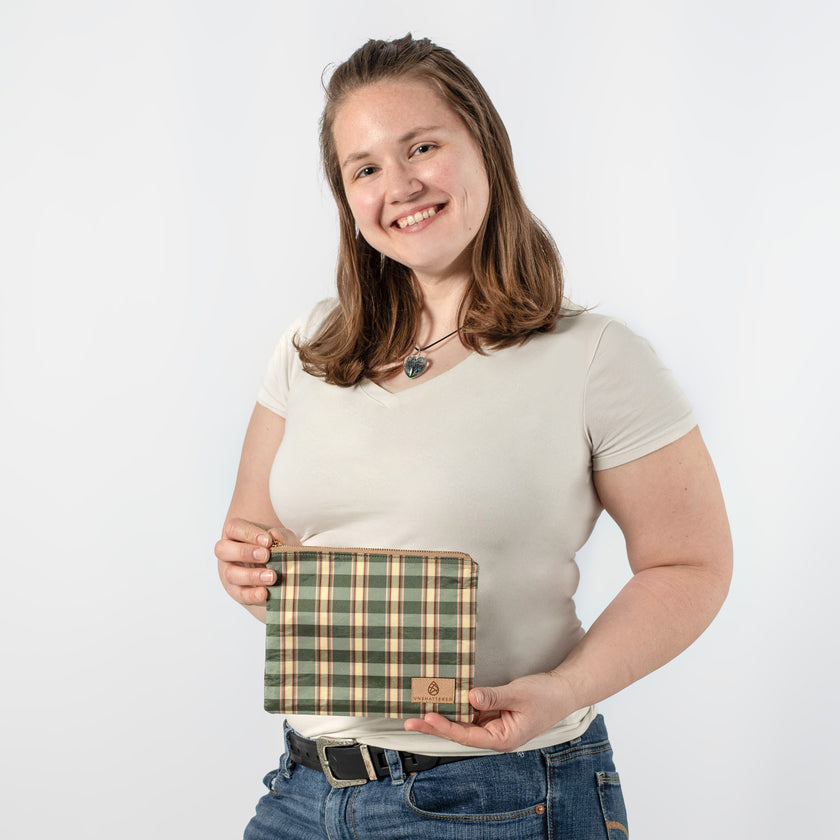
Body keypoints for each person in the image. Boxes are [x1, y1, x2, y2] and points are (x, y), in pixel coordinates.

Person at [215, 34, 732, 840]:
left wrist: (559, 692)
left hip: (502, 793)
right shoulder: (309, 347)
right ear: (346, 196)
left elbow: (691, 564)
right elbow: (260, 545)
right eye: (365, 168)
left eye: (422, 146)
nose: (401, 185)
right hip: (304, 792)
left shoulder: (595, 357)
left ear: (484, 144)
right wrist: (248, 571)